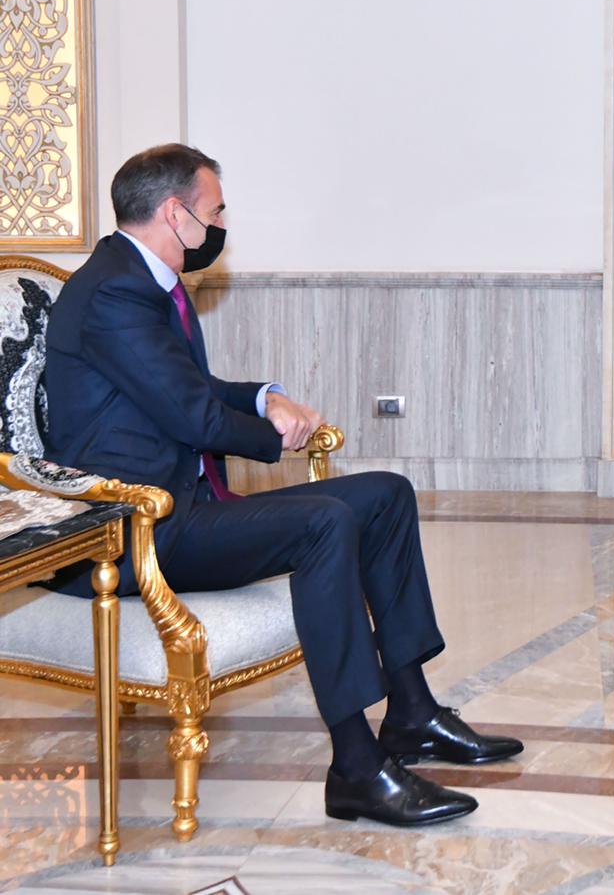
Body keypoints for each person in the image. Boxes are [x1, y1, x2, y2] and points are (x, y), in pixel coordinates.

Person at [44, 144, 522, 826]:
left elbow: (192, 389)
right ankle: (356, 768)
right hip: (138, 529)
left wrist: (265, 397)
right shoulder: (114, 292)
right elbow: (191, 416)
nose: (221, 225)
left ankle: (412, 713)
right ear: (176, 213)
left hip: (183, 506)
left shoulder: (141, 279)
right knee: (325, 521)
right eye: (215, 212)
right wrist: (277, 437)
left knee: (385, 495)